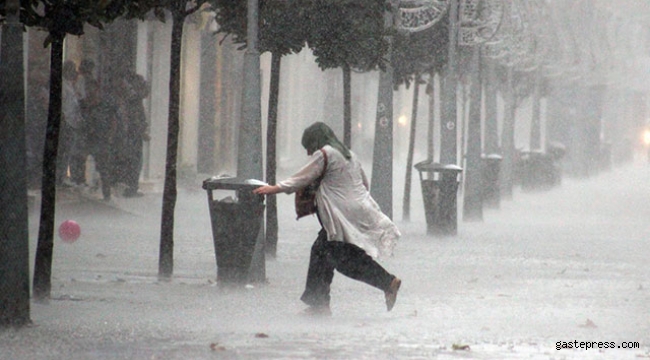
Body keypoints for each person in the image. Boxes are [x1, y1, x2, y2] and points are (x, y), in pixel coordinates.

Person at [253, 122, 401, 316]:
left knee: (342, 258)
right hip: (358, 210)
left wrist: (274, 188)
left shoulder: (324, 154)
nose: (308, 153)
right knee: (322, 252)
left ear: (315, 141)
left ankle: (386, 282)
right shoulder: (348, 154)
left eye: (308, 147)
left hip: (341, 216)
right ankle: (319, 303)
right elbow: (363, 182)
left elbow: (302, 178)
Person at [80, 77, 118, 201]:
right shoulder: (83, 104)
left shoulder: (105, 104)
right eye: (87, 89)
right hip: (87, 138)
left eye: (92, 89)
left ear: (97, 89)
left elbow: (113, 120)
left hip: (102, 139)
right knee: (81, 162)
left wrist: (110, 136)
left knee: (103, 167)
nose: (90, 91)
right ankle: (83, 188)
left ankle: (106, 193)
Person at [113, 70, 149, 198]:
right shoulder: (134, 99)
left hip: (131, 134)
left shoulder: (130, 98)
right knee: (134, 161)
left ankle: (130, 186)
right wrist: (141, 131)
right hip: (132, 135)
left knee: (132, 160)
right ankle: (131, 187)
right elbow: (134, 118)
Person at [58, 60, 86, 187]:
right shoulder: (63, 85)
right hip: (67, 122)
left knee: (68, 151)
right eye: (72, 69)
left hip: (73, 122)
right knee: (64, 151)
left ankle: (62, 176)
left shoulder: (71, 85)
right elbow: (63, 104)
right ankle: (60, 177)